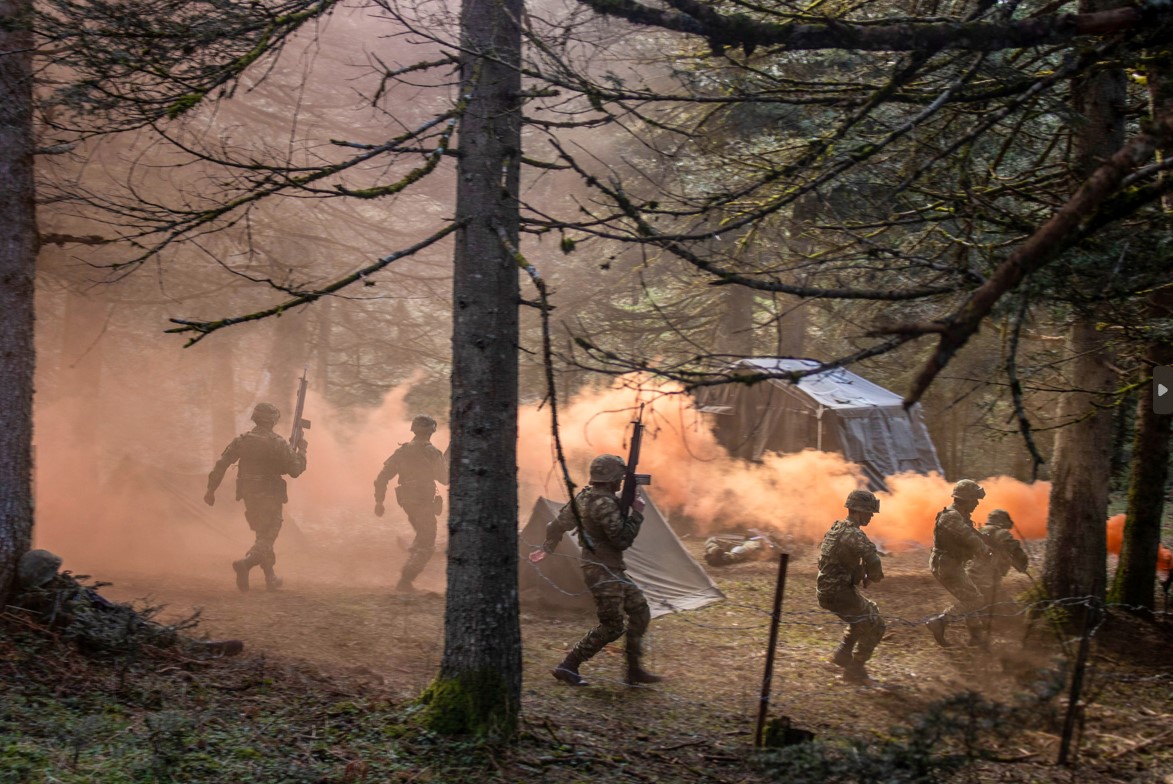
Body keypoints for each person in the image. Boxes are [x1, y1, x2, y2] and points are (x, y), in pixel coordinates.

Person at [536, 454, 661, 687]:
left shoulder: (584, 497)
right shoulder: (604, 504)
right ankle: (569, 665)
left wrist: (547, 547)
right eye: (620, 477)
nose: (622, 482)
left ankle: (633, 671)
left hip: (607, 568)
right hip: (602, 570)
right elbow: (622, 540)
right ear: (613, 478)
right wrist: (637, 512)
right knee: (613, 626)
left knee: (640, 610)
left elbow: (554, 526)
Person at [13, 549, 243, 656]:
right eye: (54, 572)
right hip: (107, 633)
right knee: (148, 634)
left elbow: (100, 605)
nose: (60, 575)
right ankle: (195, 648)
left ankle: (191, 645)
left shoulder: (62, 593)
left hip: (110, 624)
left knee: (145, 628)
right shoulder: (58, 601)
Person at [205, 402, 307, 592]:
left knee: (262, 534)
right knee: (268, 536)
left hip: (248, 494)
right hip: (269, 493)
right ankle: (246, 563)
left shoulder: (242, 440)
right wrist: (302, 449)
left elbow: (222, 463)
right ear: (273, 421)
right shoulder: (277, 442)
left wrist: (211, 489)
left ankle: (270, 577)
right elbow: (295, 470)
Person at [373, 414, 449, 593]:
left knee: (422, 533)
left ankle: (415, 548)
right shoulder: (433, 453)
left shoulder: (402, 451)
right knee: (427, 544)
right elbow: (445, 479)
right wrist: (446, 464)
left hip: (407, 502)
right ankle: (405, 581)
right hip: (423, 502)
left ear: (414, 430)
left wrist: (379, 502)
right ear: (431, 431)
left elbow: (382, 478)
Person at [816, 489, 885, 682]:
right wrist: (873, 576)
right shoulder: (854, 534)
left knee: (866, 615)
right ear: (858, 510)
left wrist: (857, 571)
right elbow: (874, 561)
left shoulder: (835, 529)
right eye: (869, 512)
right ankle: (855, 670)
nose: (871, 515)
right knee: (877, 624)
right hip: (840, 593)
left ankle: (843, 653)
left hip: (825, 590)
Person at [925, 479, 991, 648]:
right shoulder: (951, 516)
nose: (976, 503)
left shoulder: (959, 516)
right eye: (974, 499)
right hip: (946, 565)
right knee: (975, 599)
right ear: (965, 499)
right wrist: (982, 548)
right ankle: (940, 622)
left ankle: (976, 636)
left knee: (970, 595)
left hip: (951, 564)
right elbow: (968, 537)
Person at [965, 509, 1030, 603]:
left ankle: (943, 617)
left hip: (970, 575)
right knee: (1013, 613)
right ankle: (943, 617)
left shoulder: (980, 531)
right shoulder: (1001, 533)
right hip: (986, 582)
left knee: (970, 608)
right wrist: (1022, 564)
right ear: (1003, 521)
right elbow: (1016, 551)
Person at [703, 530, 777, 566]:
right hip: (741, 542)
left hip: (753, 547)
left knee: (743, 549)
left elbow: (776, 552)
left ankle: (724, 558)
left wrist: (766, 543)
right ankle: (714, 551)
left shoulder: (774, 544)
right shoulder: (759, 535)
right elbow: (750, 535)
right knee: (712, 539)